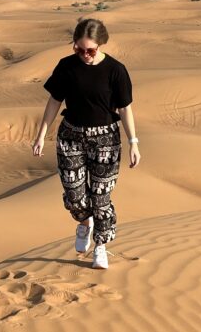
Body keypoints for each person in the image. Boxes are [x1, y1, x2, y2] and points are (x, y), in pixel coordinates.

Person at [31, 17, 140, 269]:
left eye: (90, 50)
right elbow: (54, 102)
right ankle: (84, 223)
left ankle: (100, 247)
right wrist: (40, 135)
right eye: (79, 50)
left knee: (101, 197)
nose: (85, 55)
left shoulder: (116, 70)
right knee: (75, 196)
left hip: (105, 141)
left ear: (101, 44)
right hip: (71, 137)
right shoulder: (66, 67)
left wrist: (133, 142)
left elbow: (125, 109)